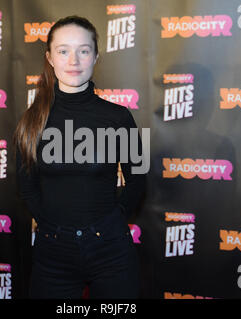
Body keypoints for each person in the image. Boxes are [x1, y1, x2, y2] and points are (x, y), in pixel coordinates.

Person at [13, 15, 146, 299]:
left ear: (95, 56)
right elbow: (26, 186)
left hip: (111, 251)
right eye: (63, 51)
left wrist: (115, 221)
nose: (73, 60)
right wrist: (51, 227)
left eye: (83, 50)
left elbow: (138, 179)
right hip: (53, 253)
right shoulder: (31, 119)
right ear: (50, 57)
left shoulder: (119, 116)